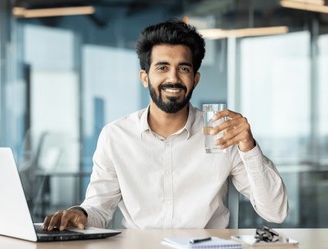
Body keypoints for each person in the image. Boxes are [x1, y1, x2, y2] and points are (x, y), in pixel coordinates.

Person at [43, 19, 288, 231]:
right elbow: (98, 209)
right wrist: (80, 214)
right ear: (145, 77)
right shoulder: (116, 136)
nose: (173, 78)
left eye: (183, 68)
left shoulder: (220, 133)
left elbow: (275, 212)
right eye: (162, 67)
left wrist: (249, 147)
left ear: (195, 79)